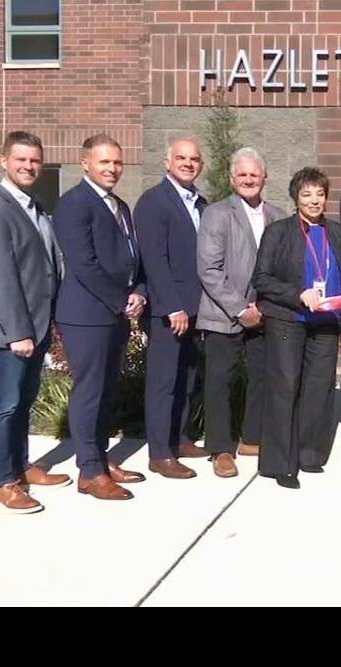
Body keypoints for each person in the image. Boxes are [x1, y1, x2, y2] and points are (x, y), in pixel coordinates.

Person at [0, 130, 70, 513]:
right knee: (4, 404)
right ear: (3, 161)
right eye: (21, 160)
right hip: (10, 333)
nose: (28, 166)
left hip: (35, 327)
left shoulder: (36, 206)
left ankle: (20, 466)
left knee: (23, 402)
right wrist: (18, 332)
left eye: (34, 160)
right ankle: (2, 481)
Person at [53, 133, 147, 501]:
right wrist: (121, 299)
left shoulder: (120, 206)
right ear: (85, 163)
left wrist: (139, 291)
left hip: (116, 314)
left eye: (117, 162)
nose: (112, 169)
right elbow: (84, 264)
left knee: (107, 391)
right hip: (87, 315)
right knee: (90, 391)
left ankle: (102, 458)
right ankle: (89, 471)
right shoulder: (74, 204)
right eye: (104, 162)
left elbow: (133, 258)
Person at [252, 168, 341, 488]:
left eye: (320, 194)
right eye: (307, 194)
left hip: (325, 323)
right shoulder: (278, 232)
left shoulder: (337, 233)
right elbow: (262, 279)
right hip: (288, 319)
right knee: (284, 389)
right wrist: (296, 295)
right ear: (296, 198)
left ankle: (309, 454)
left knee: (318, 390)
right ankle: (280, 464)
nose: (314, 200)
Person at [196, 147, 287, 477]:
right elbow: (209, 268)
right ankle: (221, 448)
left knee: (263, 377)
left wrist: (264, 307)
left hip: (265, 314)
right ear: (233, 179)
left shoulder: (278, 215)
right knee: (221, 381)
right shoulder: (217, 214)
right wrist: (239, 309)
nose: (249, 179)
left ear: (265, 177)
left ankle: (252, 437)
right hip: (224, 313)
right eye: (242, 174)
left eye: (254, 174)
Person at [134, 137, 208, 479]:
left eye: (194, 159)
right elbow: (155, 260)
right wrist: (172, 307)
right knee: (164, 382)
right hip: (170, 312)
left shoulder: (201, 204)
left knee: (187, 377)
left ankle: (179, 438)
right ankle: (160, 453)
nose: (188, 163)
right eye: (181, 158)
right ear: (167, 162)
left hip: (196, 309)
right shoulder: (154, 202)